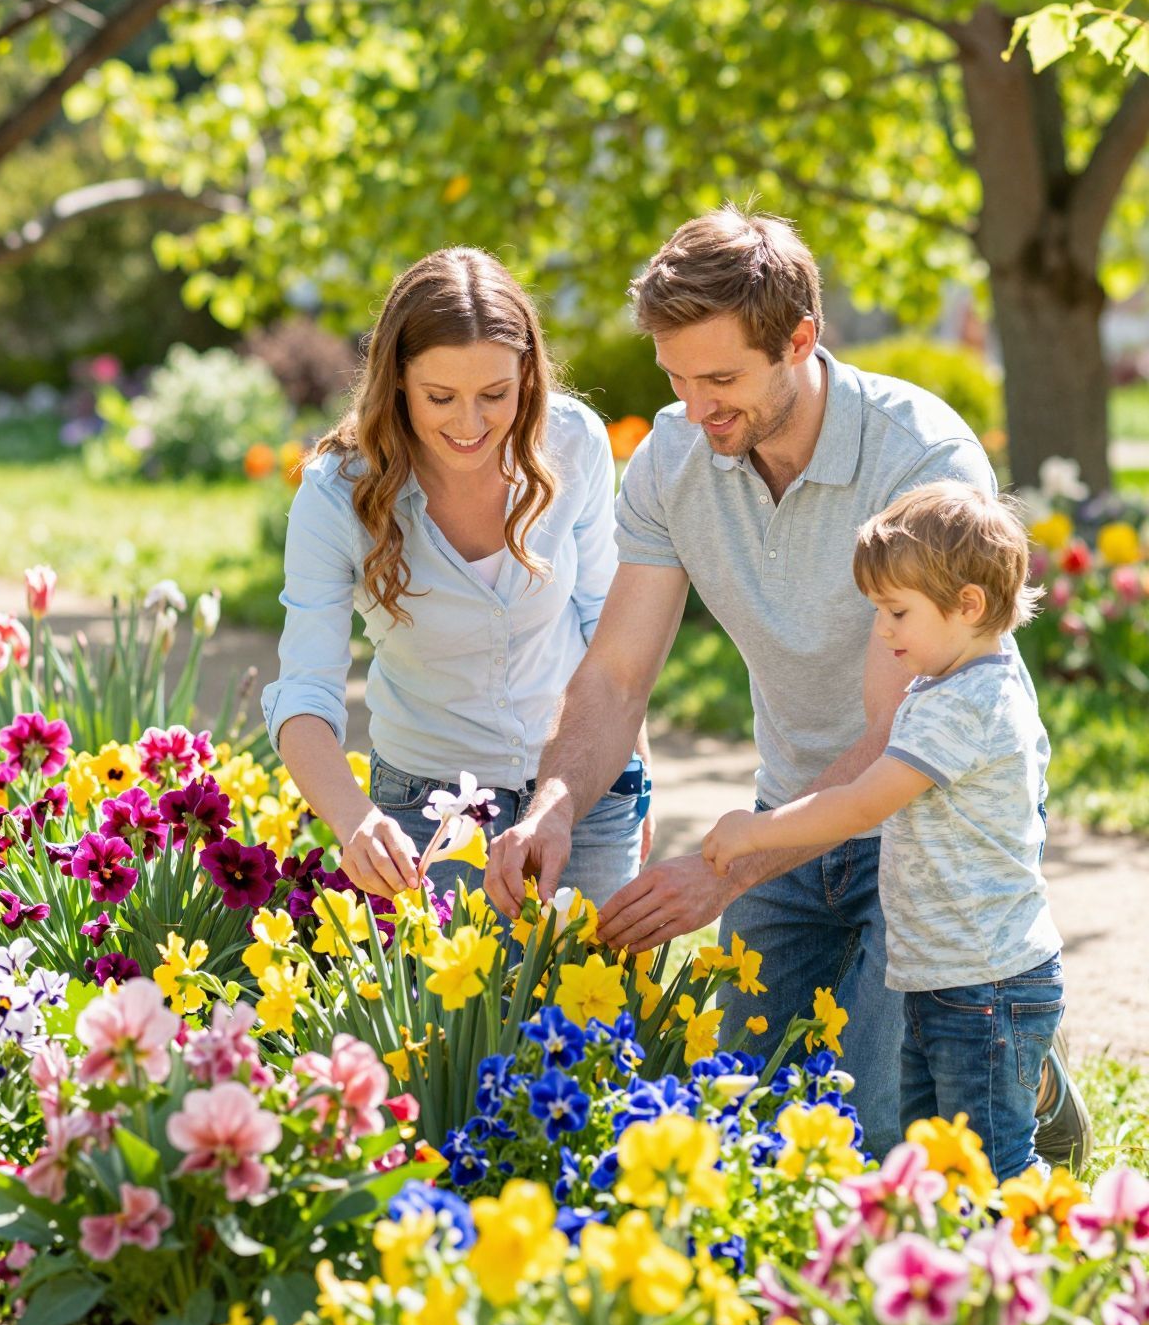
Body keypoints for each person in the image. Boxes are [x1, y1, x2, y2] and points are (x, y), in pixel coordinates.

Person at [486, 206, 1090, 1165]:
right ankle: (1004, 1053)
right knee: (742, 1116)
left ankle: (1024, 1060)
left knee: (886, 1133)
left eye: (722, 379)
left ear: (800, 340)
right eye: (676, 379)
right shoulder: (677, 459)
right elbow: (615, 673)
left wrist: (728, 867)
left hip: (918, 831)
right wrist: (552, 808)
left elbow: (899, 740)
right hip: (790, 809)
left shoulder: (920, 460)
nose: (695, 409)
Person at [262, 246, 652, 907]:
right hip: (425, 813)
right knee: (446, 1013)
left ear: (528, 376)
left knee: (592, 1009)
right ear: (398, 383)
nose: (470, 425)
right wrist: (355, 819)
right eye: (440, 397)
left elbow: (606, 631)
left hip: (580, 791)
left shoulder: (576, 443)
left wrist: (636, 777)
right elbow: (303, 694)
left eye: (495, 395)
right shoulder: (336, 495)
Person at [703, 483, 1064, 1180]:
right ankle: (956, 1265)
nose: (883, 631)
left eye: (897, 612)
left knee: (989, 1165)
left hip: (985, 987)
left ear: (969, 605)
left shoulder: (966, 704)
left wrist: (758, 833)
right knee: (934, 1158)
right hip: (948, 975)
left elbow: (864, 805)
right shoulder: (948, 684)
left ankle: (1034, 1266)